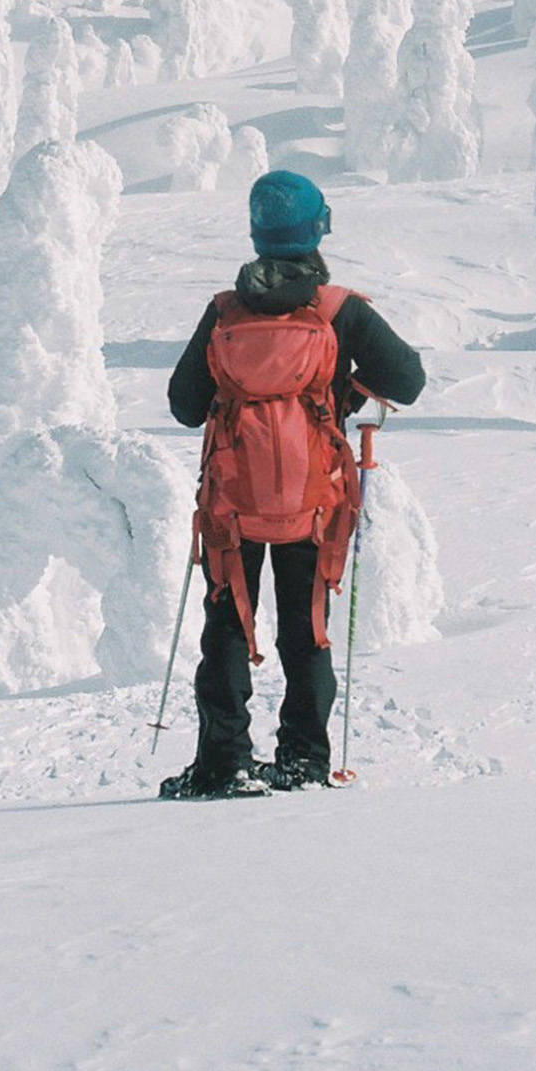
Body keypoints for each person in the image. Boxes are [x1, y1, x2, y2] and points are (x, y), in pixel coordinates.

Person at [159, 168, 425, 799]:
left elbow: (183, 405)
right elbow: (408, 382)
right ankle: (303, 760)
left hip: (233, 500)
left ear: (256, 233)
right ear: (317, 228)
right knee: (307, 624)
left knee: (228, 624)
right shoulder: (340, 312)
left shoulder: (225, 311)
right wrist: (345, 392)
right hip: (315, 499)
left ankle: (224, 763)